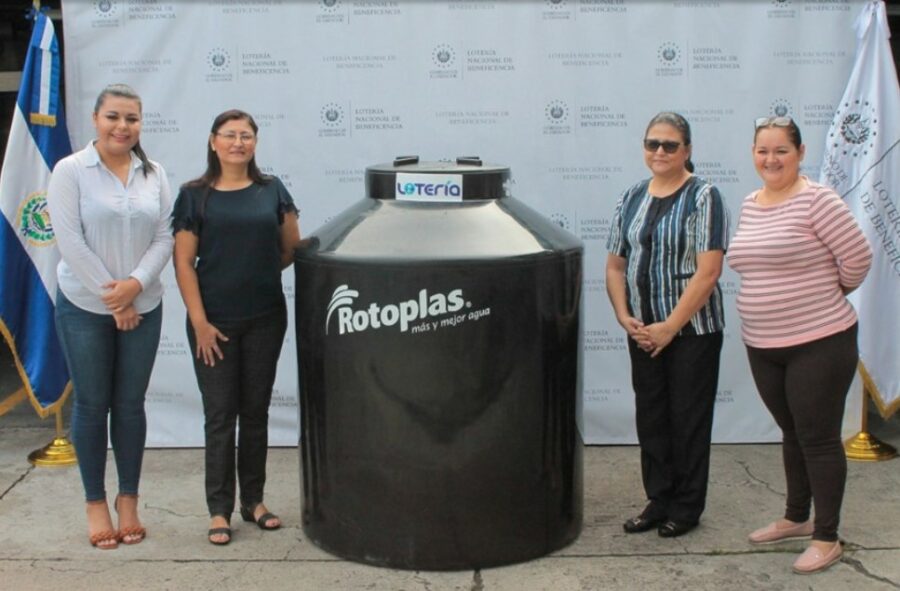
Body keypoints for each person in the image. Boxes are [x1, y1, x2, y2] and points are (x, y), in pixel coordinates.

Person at [727, 116, 871, 574]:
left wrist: (824, 297)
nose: (771, 160)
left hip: (820, 341)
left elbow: (858, 259)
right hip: (763, 344)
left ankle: (827, 536)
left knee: (819, 438)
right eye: (762, 151)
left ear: (801, 154)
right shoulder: (751, 203)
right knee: (792, 432)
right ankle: (795, 517)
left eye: (781, 151)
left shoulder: (818, 200)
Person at [48, 83, 173, 549]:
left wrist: (135, 286)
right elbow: (69, 240)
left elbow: (165, 236)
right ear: (96, 119)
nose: (123, 127)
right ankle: (95, 502)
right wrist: (114, 299)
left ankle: (128, 500)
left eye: (132, 119)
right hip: (84, 305)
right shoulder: (70, 171)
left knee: (129, 405)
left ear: (141, 124)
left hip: (145, 304)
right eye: (114, 117)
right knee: (91, 403)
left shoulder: (153, 173)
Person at [172, 109, 301, 545]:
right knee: (220, 416)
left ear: (255, 143)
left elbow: (289, 249)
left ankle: (254, 501)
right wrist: (201, 323)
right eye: (229, 135)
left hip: (266, 319)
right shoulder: (194, 195)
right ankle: (219, 509)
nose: (238, 142)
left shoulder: (272, 190)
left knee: (256, 414)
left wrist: (256, 271)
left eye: (246, 135)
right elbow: (183, 264)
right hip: (214, 325)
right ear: (213, 142)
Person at [605, 111, 729, 538]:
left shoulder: (704, 197)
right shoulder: (631, 197)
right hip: (642, 332)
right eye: (652, 143)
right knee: (652, 418)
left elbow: (708, 272)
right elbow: (615, 266)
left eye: (670, 145)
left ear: (688, 150)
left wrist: (669, 327)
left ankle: (687, 507)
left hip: (692, 332)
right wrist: (625, 318)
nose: (660, 151)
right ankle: (658, 500)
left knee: (687, 420)